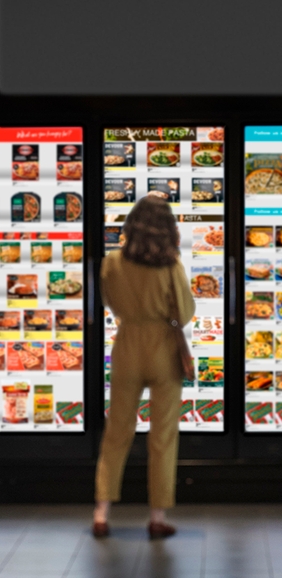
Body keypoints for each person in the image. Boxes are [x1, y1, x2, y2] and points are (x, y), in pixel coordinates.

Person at [93, 195, 194, 540]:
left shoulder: (112, 262)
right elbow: (184, 312)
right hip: (163, 349)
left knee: (117, 431)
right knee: (162, 436)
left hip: (127, 346)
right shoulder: (171, 265)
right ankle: (157, 516)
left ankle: (102, 512)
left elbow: (108, 300)